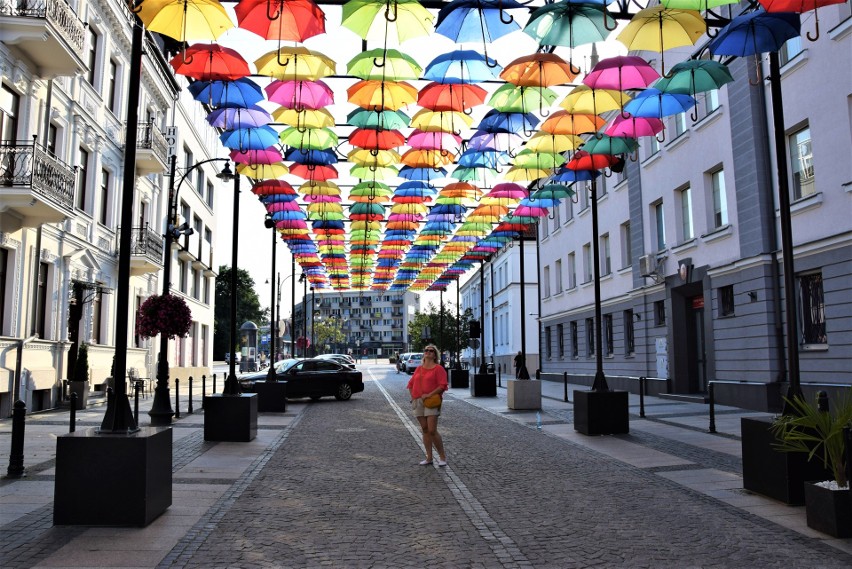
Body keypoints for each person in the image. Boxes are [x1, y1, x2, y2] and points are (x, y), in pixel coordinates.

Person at [407, 344, 448, 467]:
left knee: (432, 430)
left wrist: (429, 394)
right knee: (424, 429)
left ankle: (442, 457)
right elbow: (410, 384)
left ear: (435, 355)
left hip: (432, 401)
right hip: (418, 401)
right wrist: (413, 397)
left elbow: (442, 386)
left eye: (431, 351)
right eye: (426, 350)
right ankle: (429, 457)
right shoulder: (419, 369)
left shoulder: (438, 369)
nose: (428, 352)